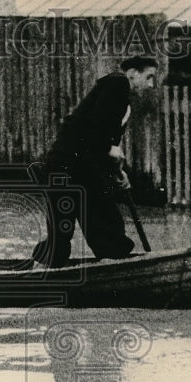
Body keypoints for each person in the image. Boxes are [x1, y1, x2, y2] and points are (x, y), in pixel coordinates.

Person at [32, 55, 158, 267]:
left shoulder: (124, 103)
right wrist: (111, 151)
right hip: (65, 166)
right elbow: (94, 128)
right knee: (62, 232)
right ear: (133, 74)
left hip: (84, 168)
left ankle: (116, 269)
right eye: (149, 77)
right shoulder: (117, 82)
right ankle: (38, 272)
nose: (151, 84)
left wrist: (119, 171)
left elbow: (105, 145)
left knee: (107, 224)